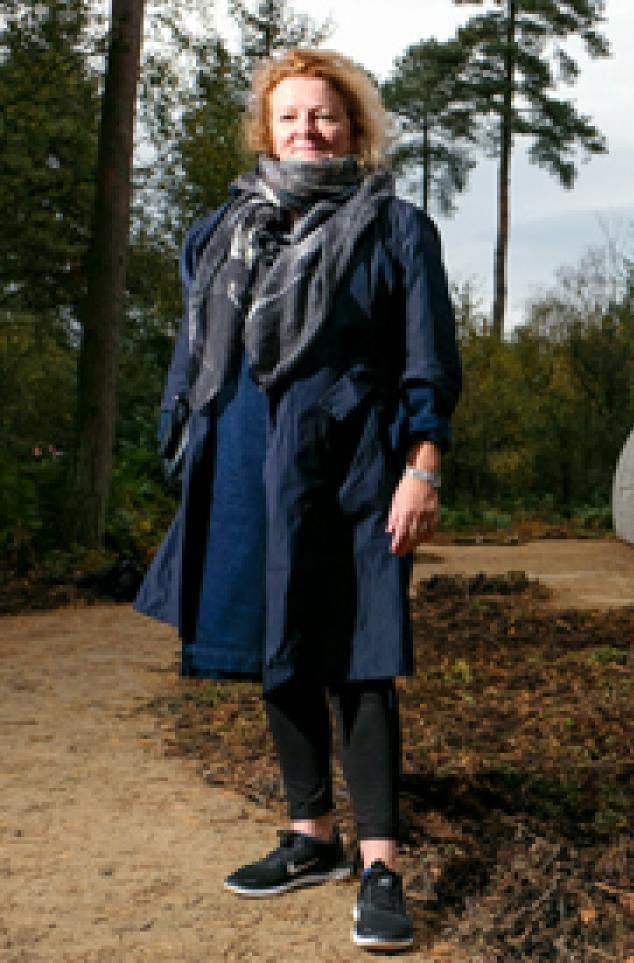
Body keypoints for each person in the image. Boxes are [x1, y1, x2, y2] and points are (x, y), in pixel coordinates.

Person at [134, 48, 462, 952]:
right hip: (242, 457)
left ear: (355, 128)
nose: (306, 131)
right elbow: (197, 352)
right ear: (265, 130)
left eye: (324, 116)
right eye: (290, 118)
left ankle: (382, 861)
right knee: (270, 642)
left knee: (356, 650)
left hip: (352, 461)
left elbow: (427, 356)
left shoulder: (396, 229)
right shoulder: (219, 230)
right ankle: (310, 834)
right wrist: (189, 445)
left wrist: (423, 462)